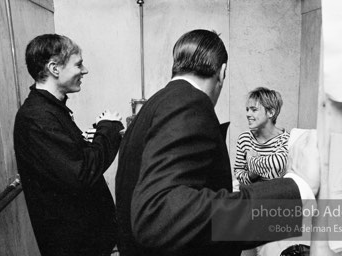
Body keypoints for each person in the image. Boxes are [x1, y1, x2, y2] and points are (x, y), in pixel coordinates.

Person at [115, 29, 317, 256]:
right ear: (222, 72)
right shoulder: (188, 103)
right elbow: (159, 216)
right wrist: (297, 193)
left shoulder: (154, 105)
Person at [14, 34, 124, 256]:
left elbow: (67, 162)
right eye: (79, 64)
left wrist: (89, 139)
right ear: (54, 68)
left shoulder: (52, 110)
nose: (84, 71)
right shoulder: (37, 117)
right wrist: (108, 129)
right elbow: (81, 173)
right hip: (74, 247)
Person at [234, 87, 290, 185]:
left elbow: (277, 164)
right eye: (247, 109)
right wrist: (251, 176)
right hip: (251, 196)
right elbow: (238, 173)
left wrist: (251, 160)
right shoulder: (245, 138)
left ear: (270, 112)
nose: (247, 114)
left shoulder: (286, 140)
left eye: (254, 110)